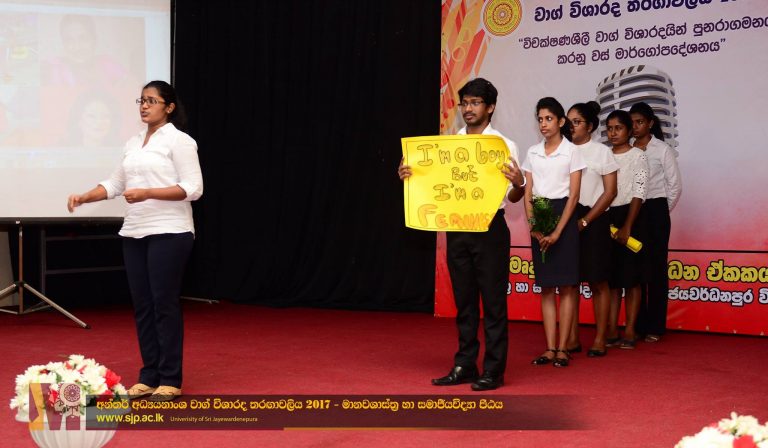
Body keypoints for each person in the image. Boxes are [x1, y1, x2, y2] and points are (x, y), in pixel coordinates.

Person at [67, 80, 203, 401]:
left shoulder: (180, 141)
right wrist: (86, 196)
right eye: (141, 100)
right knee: (143, 306)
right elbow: (116, 183)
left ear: (169, 107)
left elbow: (193, 188)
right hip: (134, 231)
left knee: (163, 304)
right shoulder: (132, 143)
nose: (144, 106)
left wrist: (148, 193)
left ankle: (170, 378)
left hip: (170, 230)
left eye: (152, 100)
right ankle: (149, 376)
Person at [398, 78, 524, 391]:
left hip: (490, 227)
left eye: (475, 103)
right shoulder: (449, 145)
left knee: (493, 303)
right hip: (457, 228)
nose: (468, 108)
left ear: (490, 107)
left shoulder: (503, 145)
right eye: (465, 103)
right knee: (464, 303)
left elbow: (513, 197)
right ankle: (465, 364)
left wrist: (520, 183)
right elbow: (433, 186)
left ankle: (493, 370)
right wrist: (409, 175)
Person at [523, 97, 585, 368]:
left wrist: (559, 230)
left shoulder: (572, 151)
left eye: (549, 119)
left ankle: (563, 348)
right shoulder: (532, 152)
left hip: (565, 216)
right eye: (540, 119)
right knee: (547, 287)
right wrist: (533, 225)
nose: (543, 124)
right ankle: (549, 348)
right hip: (541, 213)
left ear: (560, 122)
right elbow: (528, 193)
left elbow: (574, 196)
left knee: (568, 286)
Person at [565, 101, 618, 357]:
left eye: (576, 122)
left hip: (594, 220)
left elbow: (610, 192)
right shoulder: (562, 150)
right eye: (568, 122)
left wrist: (586, 220)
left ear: (590, 126)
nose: (571, 126)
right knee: (571, 282)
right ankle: (572, 338)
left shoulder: (601, 152)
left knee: (598, 281)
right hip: (568, 218)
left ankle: (600, 338)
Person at [630, 102, 682, 343]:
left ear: (650, 123)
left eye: (640, 122)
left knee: (657, 270)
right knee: (635, 269)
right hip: (633, 212)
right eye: (632, 122)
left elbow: (675, 186)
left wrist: (660, 210)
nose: (635, 127)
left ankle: (656, 326)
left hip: (656, 210)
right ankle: (637, 324)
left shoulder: (662, 149)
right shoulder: (627, 149)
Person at [604, 110, 649, 350]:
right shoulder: (604, 156)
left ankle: (630, 328)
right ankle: (611, 328)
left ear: (629, 131)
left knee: (632, 279)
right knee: (611, 279)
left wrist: (627, 226)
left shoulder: (638, 156)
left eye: (618, 128)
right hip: (607, 217)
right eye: (610, 128)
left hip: (632, 216)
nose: (613, 133)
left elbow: (639, 193)